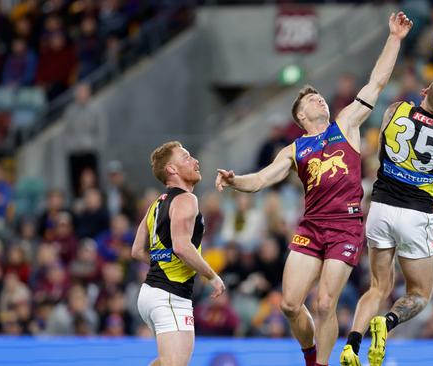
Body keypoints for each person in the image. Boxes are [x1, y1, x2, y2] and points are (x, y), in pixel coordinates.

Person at [216, 12, 412, 366]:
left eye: (321, 97)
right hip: (311, 227)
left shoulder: (346, 124)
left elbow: (377, 82)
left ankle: (320, 364)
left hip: (345, 226)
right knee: (290, 304)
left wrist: (394, 39)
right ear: (301, 117)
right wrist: (234, 181)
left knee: (324, 303)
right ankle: (310, 357)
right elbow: (261, 179)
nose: (320, 100)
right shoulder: (294, 150)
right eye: (312, 101)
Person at [340, 76, 433, 366]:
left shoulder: (394, 109)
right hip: (415, 213)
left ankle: (351, 346)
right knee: (420, 293)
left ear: (424, 92)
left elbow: (383, 145)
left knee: (377, 287)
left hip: (381, 207)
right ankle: (388, 322)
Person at [132, 141, 225, 366]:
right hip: (169, 294)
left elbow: (137, 251)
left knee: (167, 363)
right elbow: (182, 247)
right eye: (186, 157)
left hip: (151, 293)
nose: (195, 161)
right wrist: (212, 275)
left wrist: (162, 260)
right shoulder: (186, 199)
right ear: (171, 170)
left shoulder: (156, 204)